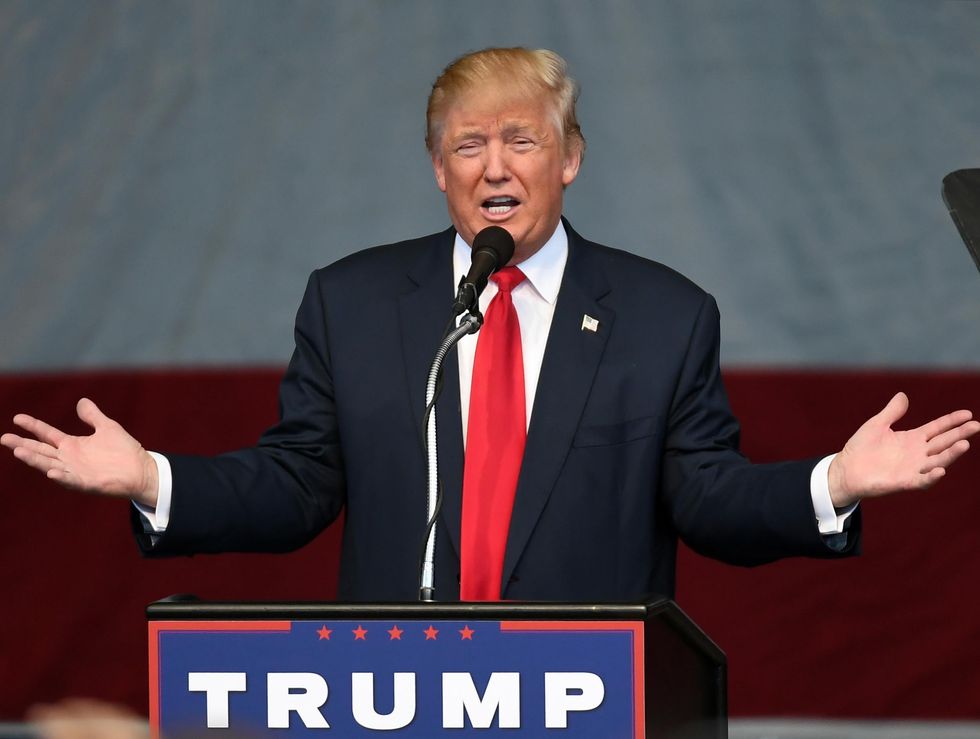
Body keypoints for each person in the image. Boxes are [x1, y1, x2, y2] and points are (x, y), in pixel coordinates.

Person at [3, 48, 977, 603]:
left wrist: (833, 483)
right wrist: (151, 477)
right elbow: (298, 484)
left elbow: (706, 498)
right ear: (437, 169)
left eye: (521, 139)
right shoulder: (349, 300)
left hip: (584, 696)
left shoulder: (661, 314)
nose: (494, 166)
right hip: (389, 693)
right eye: (467, 144)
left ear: (570, 160)